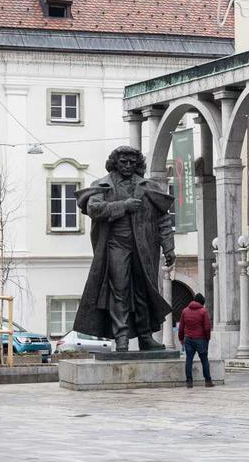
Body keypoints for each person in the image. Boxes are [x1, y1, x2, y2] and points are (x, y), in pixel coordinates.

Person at [73, 146, 176, 352]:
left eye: (132, 162)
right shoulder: (103, 185)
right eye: (123, 162)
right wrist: (123, 206)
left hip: (145, 246)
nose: (128, 166)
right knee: (119, 290)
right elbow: (93, 209)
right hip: (115, 245)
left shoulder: (148, 186)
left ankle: (146, 337)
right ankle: (121, 338)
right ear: (115, 163)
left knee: (144, 289)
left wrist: (168, 247)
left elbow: (163, 218)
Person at [179, 293, 214, 387]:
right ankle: (208, 381)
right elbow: (207, 327)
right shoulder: (203, 311)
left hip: (188, 339)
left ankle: (189, 382)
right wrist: (207, 338)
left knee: (189, 360)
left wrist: (181, 339)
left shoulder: (185, 311)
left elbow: (181, 327)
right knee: (204, 360)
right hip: (201, 339)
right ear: (202, 302)